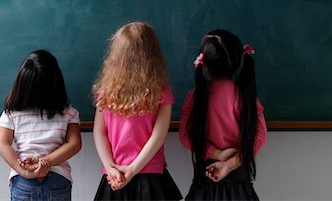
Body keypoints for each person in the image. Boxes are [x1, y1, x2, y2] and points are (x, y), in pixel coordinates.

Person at [92, 21, 182, 201]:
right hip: (150, 176)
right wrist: (131, 170)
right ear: (153, 54)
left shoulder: (106, 90)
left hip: (115, 176)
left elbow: (99, 132)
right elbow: (158, 137)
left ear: (117, 55)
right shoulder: (161, 90)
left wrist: (111, 169)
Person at [179, 29, 267, 200]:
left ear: (204, 62)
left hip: (204, 184)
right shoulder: (246, 97)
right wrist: (230, 163)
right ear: (237, 60)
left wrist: (216, 154)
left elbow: (184, 136)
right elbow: (260, 137)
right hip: (239, 184)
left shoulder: (195, 97)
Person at [0, 50, 82, 201]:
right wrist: (46, 162)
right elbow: (74, 144)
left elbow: (3, 144)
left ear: (22, 85)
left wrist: (24, 171)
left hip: (24, 180)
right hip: (57, 178)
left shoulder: (11, 113)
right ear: (56, 82)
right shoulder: (69, 112)